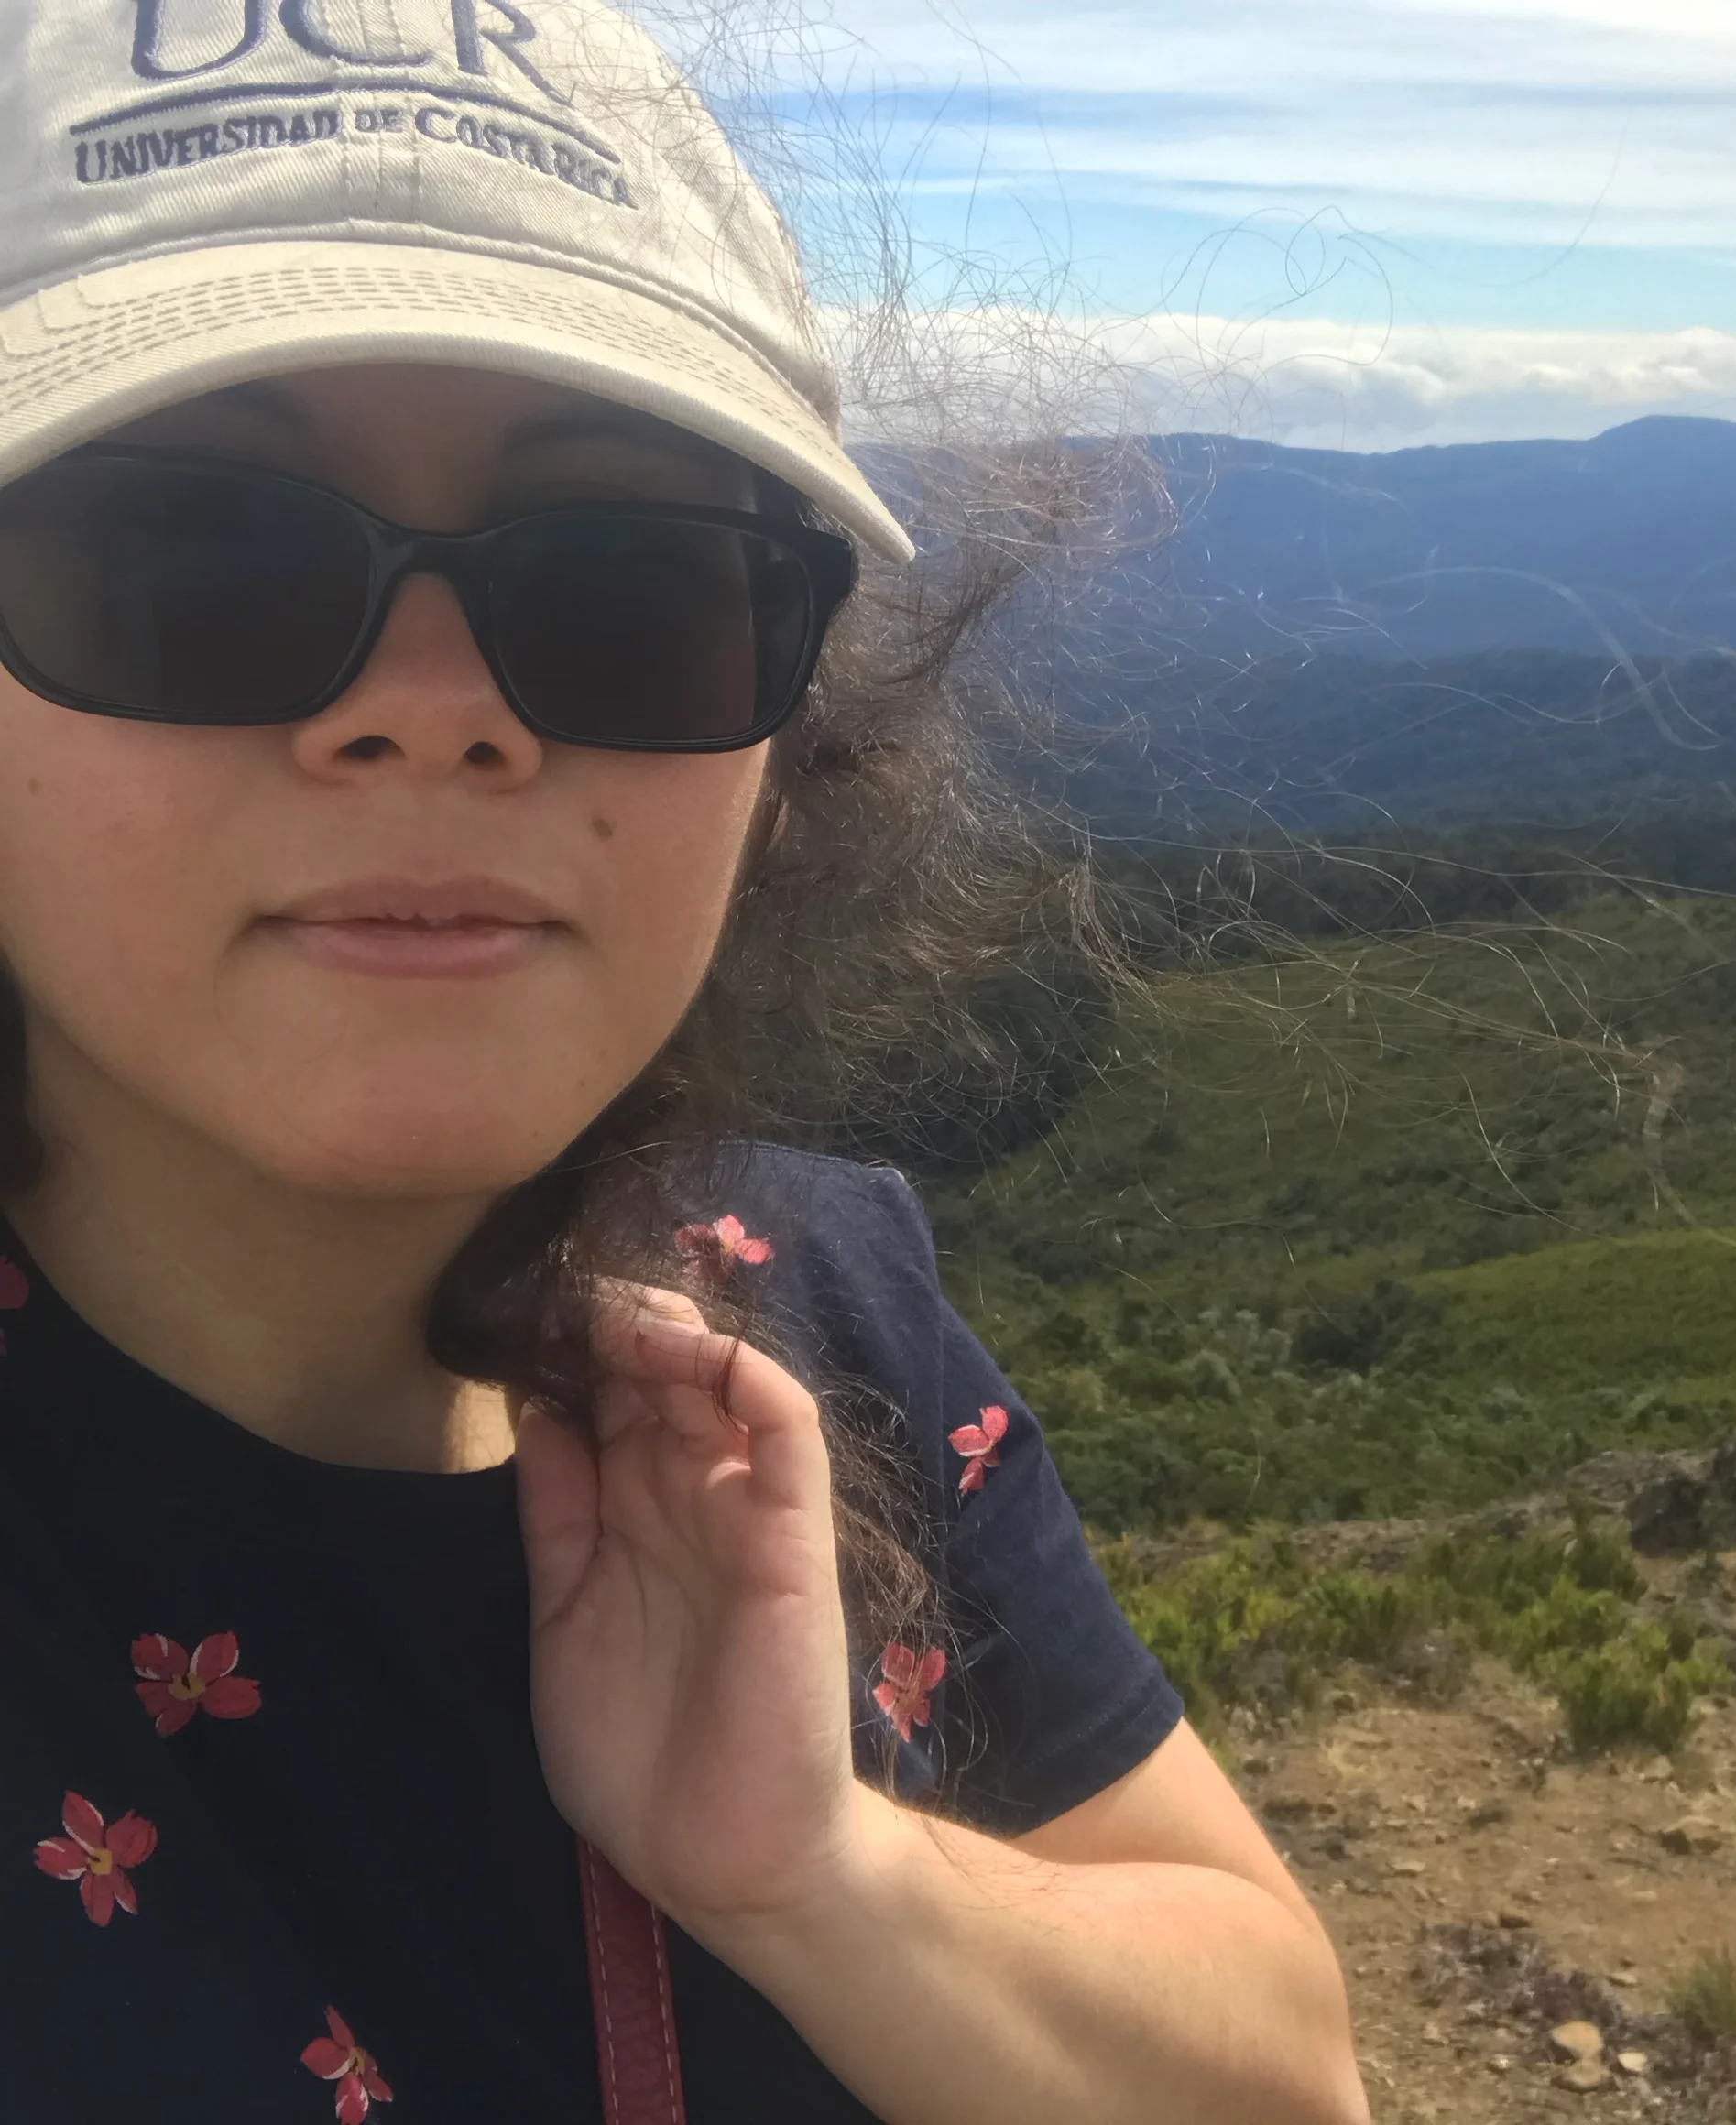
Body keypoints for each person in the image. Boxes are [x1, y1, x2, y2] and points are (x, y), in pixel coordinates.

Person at [0, 2, 1367, 2120]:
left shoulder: (816, 1313)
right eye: (184, 554)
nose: (438, 708)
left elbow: (1288, 2073)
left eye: (627, 584)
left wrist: (823, 1874)